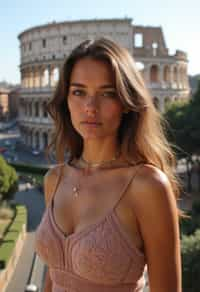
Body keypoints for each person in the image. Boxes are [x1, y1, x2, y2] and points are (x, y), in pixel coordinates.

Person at [35, 37, 184, 292]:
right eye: (79, 92)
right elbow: (55, 275)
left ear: (126, 103)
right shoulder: (55, 179)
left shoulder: (147, 186)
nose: (90, 108)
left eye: (107, 94)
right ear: (66, 99)